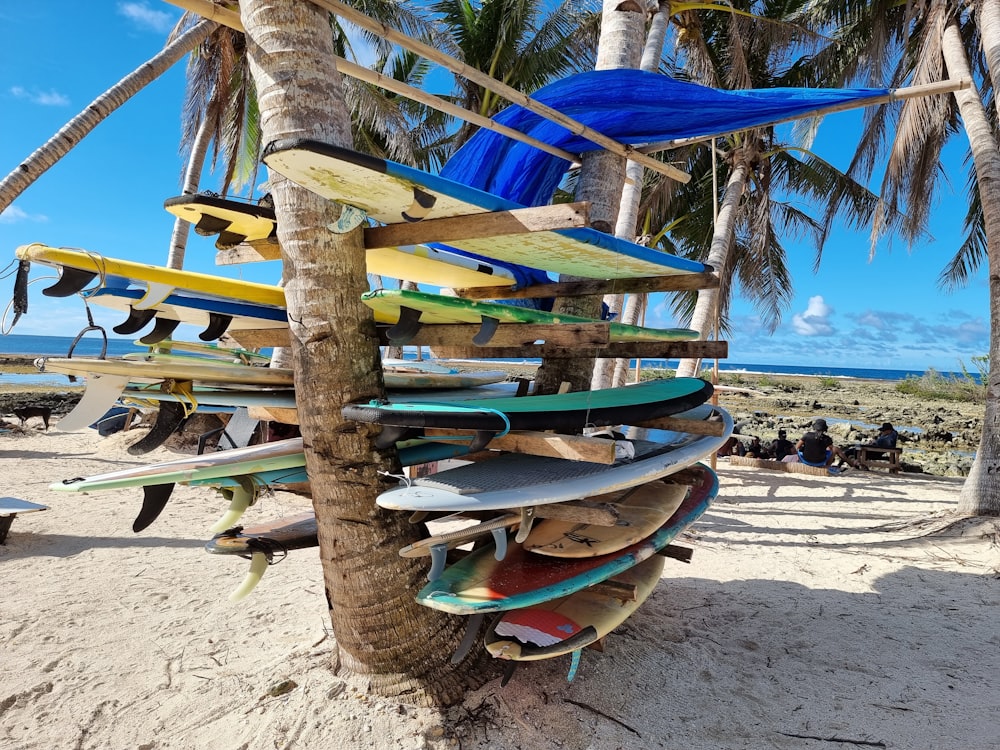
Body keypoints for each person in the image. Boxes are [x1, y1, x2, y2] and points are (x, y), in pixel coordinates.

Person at [782, 418, 850, 469]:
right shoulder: (827, 439)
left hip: (806, 460)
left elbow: (796, 447)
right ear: (824, 429)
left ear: (815, 428)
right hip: (819, 462)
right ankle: (827, 466)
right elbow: (831, 449)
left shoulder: (807, 435)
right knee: (835, 449)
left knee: (800, 449)